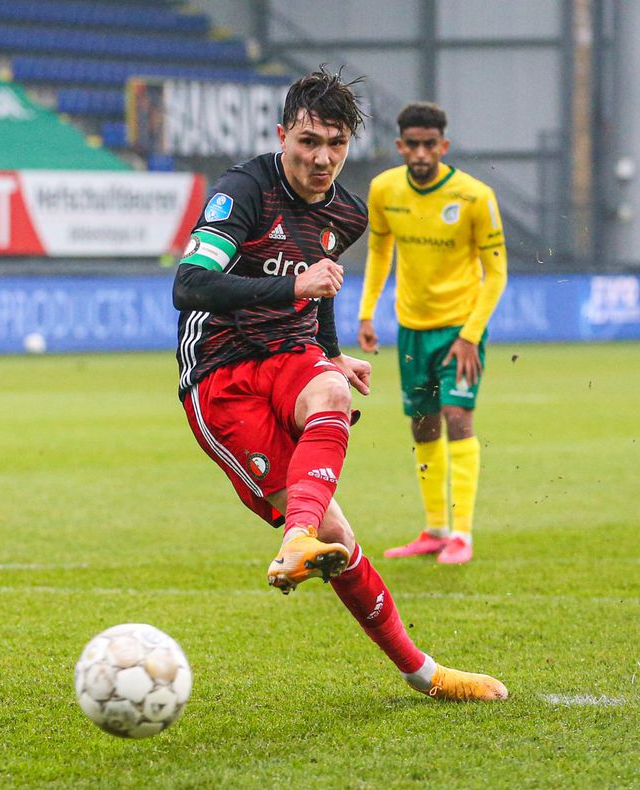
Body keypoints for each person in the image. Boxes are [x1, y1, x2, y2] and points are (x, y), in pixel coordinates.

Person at [173, 70, 507, 702]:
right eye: (307, 141)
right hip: (221, 376)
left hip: (291, 354)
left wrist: (331, 354)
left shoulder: (344, 212)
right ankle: (416, 663)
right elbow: (190, 284)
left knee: (333, 391)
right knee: (341, 539)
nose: (321, 158)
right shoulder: (242, 191)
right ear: (282, 136)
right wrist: (291, 287)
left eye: (335, 142)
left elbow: (321, 278)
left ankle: (421, 672)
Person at [357, 103, 508, 565]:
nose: (421, 153)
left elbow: (496, 273)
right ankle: (436, 528)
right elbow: (381, 251)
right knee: (422, 423)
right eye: (412, 145)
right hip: (411, 329)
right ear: (400, 146)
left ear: (444, 146)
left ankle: (462, 534)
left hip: (460, 329)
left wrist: (471, 334)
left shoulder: (474, 196)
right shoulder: (384, 189)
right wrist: (366, 313)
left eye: (430, 145)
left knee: (457, 417)